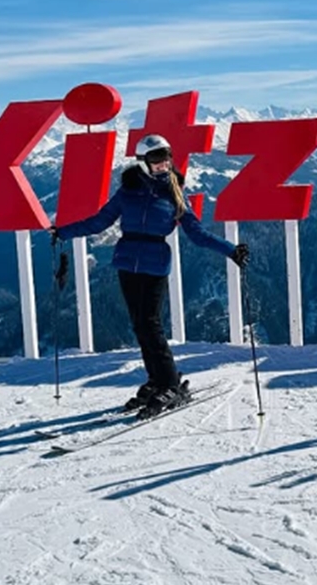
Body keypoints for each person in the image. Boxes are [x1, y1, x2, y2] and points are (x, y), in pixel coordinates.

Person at [52, 133, 249, 417]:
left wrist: (231, 250)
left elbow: (197, 234)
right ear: (142, 162)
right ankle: (157, 380)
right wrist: (62, 232)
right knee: (139, 325)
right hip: (127, 263)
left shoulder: (175, 193)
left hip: (155, 264)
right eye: (156, 159)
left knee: (150, 323)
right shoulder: (127, 192)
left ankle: (171, 383)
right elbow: (99, 222)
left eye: (166, 158)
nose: (163, 164)